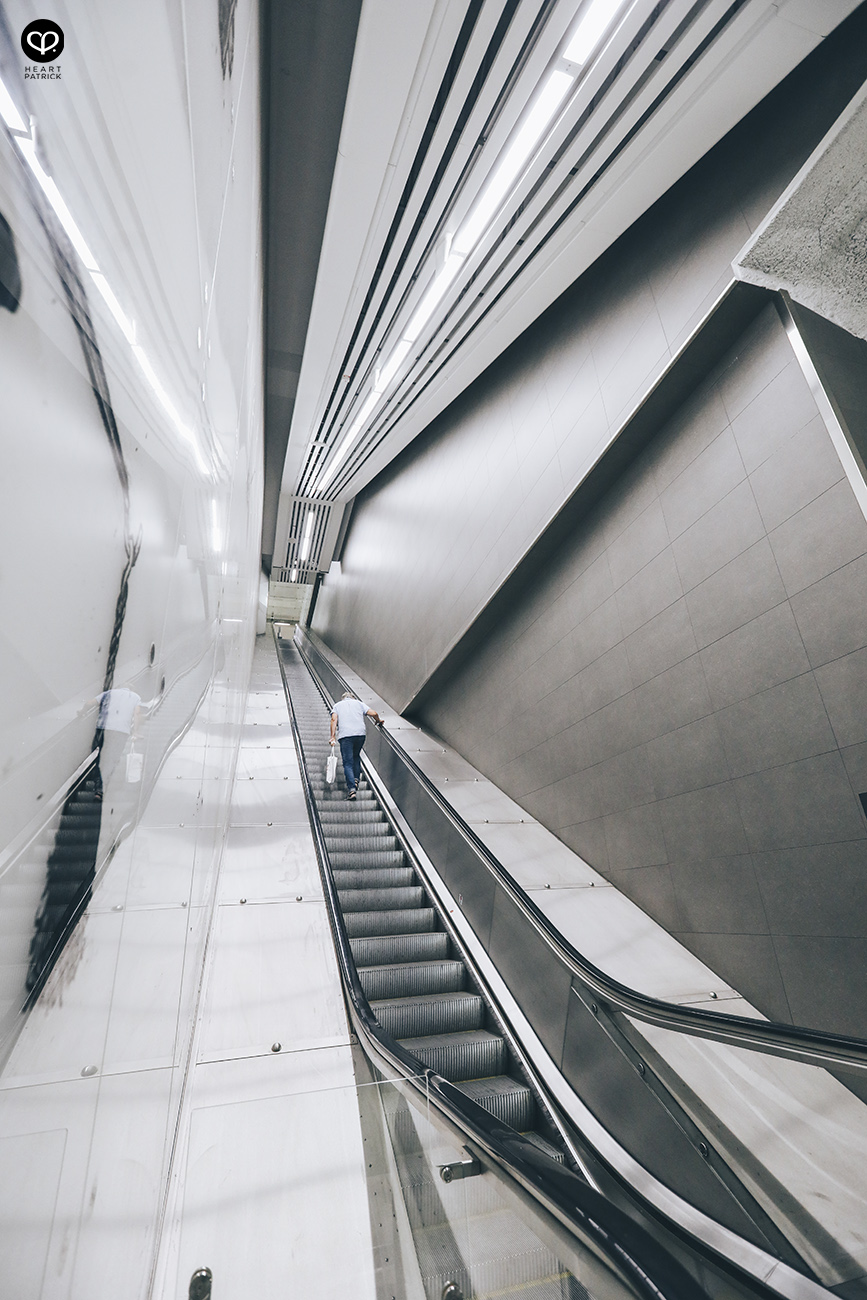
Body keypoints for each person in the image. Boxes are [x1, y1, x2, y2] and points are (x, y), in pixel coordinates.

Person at [329, 691, 383, 799]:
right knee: (356, 756)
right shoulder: (359, 703)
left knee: (347, 763)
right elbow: (374, 713)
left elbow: (334, 719)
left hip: (346, 736)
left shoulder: (337, 706)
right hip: (360, 735)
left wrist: (332, 736)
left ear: (343, 698)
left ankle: (352, 790)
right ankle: (356, 779)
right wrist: (379, 721)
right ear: (353, 698)